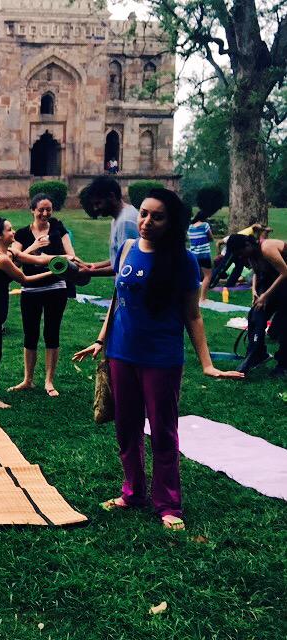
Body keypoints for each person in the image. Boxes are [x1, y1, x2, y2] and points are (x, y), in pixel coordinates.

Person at [73, 188, 243, 531]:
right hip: (121, 354)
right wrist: (100, 341)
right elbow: (117, 300)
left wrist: (207, 363)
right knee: (126, 428)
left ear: (172, 222)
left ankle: (168, 504)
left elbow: (192, 316)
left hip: (160, 359)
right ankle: (132, 492)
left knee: (163, 431)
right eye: (144, 214)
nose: (147, 221)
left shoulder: (182, 261)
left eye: (157, 216)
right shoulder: (127, 249)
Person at [0, 217, 55, 409]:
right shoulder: (2, 258)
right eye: (9, 230)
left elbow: (18, 258)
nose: (13, 232)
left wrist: (32, 248)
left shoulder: (2, 253)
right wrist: (54, 273)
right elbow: (23, 278)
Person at [8, 194, 79, 397]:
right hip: (30, 290)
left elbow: (71, 256)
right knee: (30, 334)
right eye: (41, 210)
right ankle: (27, 380)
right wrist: (34, 248)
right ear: (32, 210)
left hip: (56, 288)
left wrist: (47, 257)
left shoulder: (58, 230)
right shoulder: (21, 234)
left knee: (51, 333)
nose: (45, 213)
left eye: (49, 209)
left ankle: (49, 381)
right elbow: (15, 262)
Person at [227, 233, 287, 376]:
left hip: (285, 277)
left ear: (247, 245)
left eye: (241, 253)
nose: (241, 257)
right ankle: (258, 353)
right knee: (256, 313)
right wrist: (255, 291)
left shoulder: (266, 248)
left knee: (284, 324)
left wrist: (265, 295)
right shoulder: (251, 254)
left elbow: (285, 272)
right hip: (276, 281)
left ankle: (283, 365)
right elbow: (256, 271)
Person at [80, 177, 140, 277]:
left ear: (111, 196)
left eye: (98, 203)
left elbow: (125, 264)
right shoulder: (118, 218)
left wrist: (90, 273)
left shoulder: (125, 222)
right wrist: (92, 266)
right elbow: (118, 257)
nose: (95, 208)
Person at [210, 223, 273, 289]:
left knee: (239, 268)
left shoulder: (255, 245)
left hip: (242, 250)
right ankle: (211, 283)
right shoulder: (248, 232)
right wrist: (264, 229)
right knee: (224, 267)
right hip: (233, 246)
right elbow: (256, 226)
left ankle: (229, 285)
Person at [187, 213, 215, 302]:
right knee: (208, 275)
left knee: (193, 276)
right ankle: (203, 298)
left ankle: (191, 297)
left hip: (193, 254)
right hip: (204, 254)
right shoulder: (205, 225)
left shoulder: (190, 227)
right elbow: (211, 238)